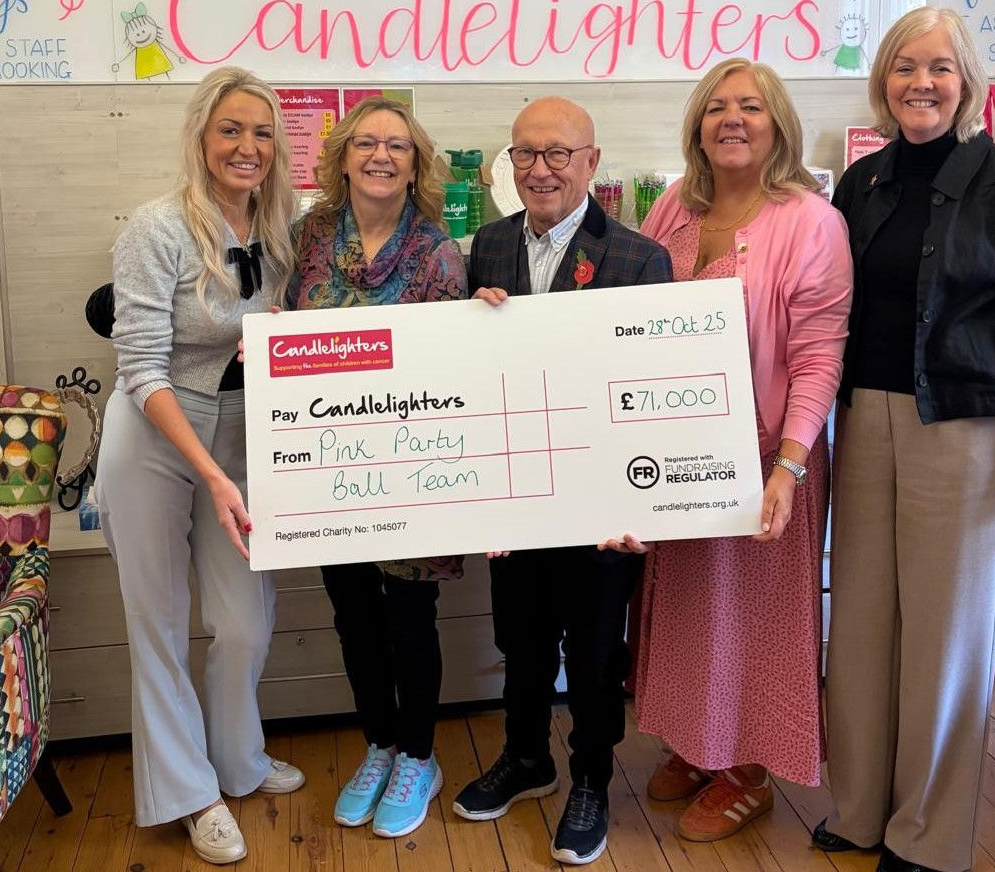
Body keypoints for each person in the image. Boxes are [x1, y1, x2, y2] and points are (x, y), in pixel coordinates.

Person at [818, 6, 995, 872]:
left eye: (938, 67)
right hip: (865, 422)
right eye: (902, 66)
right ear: (882, 80)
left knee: (944, 637)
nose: (919, 83)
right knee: (857, 625)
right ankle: (857, 810)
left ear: (968, 82)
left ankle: (926, 835)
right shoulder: (863, 184)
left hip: (967, 434)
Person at [604, 58, 853, 842]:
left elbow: (819, 355)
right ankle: (700, 744)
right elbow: (629, 310)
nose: (731, 119)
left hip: (764, 453)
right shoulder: (677, 204)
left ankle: (750, 768)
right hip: (681, 448)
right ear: (698, 126)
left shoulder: (812, 220)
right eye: (717, 108)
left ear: (777, 122)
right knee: (684, 609)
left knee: (748, 620)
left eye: (750, 106)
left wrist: (789, 465)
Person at [452, 96, 672, 866]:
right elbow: (467, 379)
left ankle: (590, 778)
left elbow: (652, 389)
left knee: (595, 653)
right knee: (521, 638)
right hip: (516, 495)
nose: (539, 169)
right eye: (524, 154)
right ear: (506, 164)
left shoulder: (641, 259)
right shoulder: (483, 247)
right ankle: (526, 757)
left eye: (557, 154)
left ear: (591, 162)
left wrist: (640, 500)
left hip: (602, 505)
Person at [97, 66, 305, 866]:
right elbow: (140, 368)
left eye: (262, 133)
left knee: (245, 620)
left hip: (242, 427)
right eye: (231, 130)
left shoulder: (286, 226)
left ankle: (239, 761)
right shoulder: (156, 228)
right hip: (156, 430)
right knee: (156, 616)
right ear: (202, 137)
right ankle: (192, 794)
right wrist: (211, 474)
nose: (247, 147)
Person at [289, 96, 468, 838]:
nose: (381, 156)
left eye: (397, 145)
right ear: (341, 156)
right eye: (366, 142)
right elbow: (284, 324)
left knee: (408, 617)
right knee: (353, 613)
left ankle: (420, 757)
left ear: (416, 161)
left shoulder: (436, 250)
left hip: (411, 467)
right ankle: (381, 745)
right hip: (330, 466)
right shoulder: (309, 235)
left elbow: (452, 359)